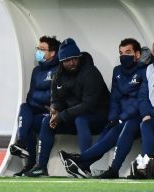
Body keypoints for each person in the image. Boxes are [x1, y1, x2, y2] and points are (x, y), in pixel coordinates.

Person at [59, 38, 146, 179]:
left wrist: (122, 118)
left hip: (136, 117)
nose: (124, 56)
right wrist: (113, 117)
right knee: (106, 135)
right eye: (121, 52)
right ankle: (84, 165)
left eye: (128, 52)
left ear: (137, 54)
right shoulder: (117, 71)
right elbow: (115, 98)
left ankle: (82, 160)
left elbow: (140, 99)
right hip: (119, 117)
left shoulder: (144, 70)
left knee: (124, 127)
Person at [24, 38, 109, 177]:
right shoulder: (59, 75)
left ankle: (84, 166)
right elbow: (56, 99)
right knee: (47, 121)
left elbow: (89, 105)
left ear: (79, 57)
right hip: (73, 116)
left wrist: (62, 115)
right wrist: (54, 109)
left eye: (74, 58)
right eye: (67, 60)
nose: (72, 63)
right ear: (61, 61)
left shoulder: (91, 73)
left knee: (81, 119)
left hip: (98, 117)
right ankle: (41, 167)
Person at [9, 36, 61, 177]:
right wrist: (41, 102)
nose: (38, 52)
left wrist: (44, 103)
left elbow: (54, 96)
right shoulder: (36, 71)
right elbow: (30, 97)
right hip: (38, 109)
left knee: (30, 121)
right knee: (25, 107)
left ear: (52, 53)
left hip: (51, 113)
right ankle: (23, 148)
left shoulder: (59, 69)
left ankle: (35, 164)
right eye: (38, 49)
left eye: (42, 49)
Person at [139, 42, 154, 159]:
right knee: (145, 125)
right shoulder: (149, 69)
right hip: (152, 113)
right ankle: (148, 162)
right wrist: (145, 113)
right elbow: (143, 95)